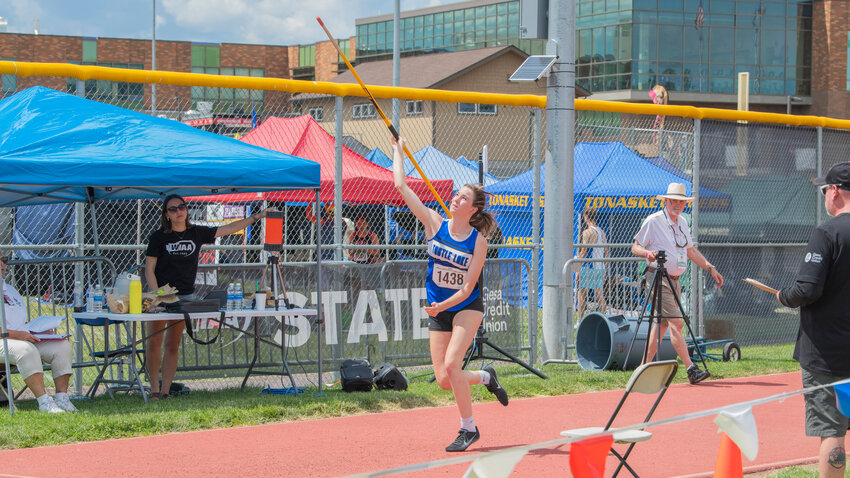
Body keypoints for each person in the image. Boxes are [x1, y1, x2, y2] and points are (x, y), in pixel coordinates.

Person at [392, 136, 508, 453]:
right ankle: (485, 376)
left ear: (473, 209)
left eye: (463, 198)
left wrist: (443, 304)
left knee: (453, 366)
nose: (456, 199)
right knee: (444, 379)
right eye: (456, 195)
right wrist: (397, 151)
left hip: (466, 307)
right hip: (439, 309)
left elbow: (468, 288)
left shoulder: (478, 241)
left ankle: (468, 429)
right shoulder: (434, 223)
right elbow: (401, 187)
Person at [144, 194, 271, 399]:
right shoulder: (158, 237)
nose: (179, 211)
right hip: (161, 295)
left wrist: (257, 217)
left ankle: (165, 391)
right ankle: (154, 390)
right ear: (166, 215)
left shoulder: (196, 232)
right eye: (173, 209)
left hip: (185, 296)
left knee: (172, 344)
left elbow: (229, 229)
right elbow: (149, 269)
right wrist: (156, 296)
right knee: (154, 342)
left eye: (182, 207)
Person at [776, 162, 850, 478]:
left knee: (832, 430)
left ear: (834, 191)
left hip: (828, 354)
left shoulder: (827, 232)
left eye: (824, 190)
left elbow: (807, 289)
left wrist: (784, 296)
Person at [631, 182, 723, 385]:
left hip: (675, 280)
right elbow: (635, 246)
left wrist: (710, 267)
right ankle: (691, 369)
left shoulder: (682, 222)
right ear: (666, 201)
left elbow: (690, 251)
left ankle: (642, 368)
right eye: (673, 200)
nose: (677, 204)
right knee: (677, 322)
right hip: (657, 278)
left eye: (681, 201)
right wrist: (648, 253)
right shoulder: (653, 221)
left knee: (663, 325)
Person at [0, 251, 76, 412]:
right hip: (5, 341)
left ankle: (62, 398)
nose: (2, 265)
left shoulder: (10, 290)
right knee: (26, 350)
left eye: (3, 259)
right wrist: (17, 335)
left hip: (21, 337)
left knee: (62, 346)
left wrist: (38, 330)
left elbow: (18, 322)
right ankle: (44, 402)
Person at [577, 207, 608, 318]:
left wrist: (577, 269)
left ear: (586, 217)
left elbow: (583, 252)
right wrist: (605, 268)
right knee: (599, 293)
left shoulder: (587, 232)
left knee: (581, 293)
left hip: (589, 267)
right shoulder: (602, 232)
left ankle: (579, 320)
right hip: (600, 266)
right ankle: (605, 317)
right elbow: (606, 252)